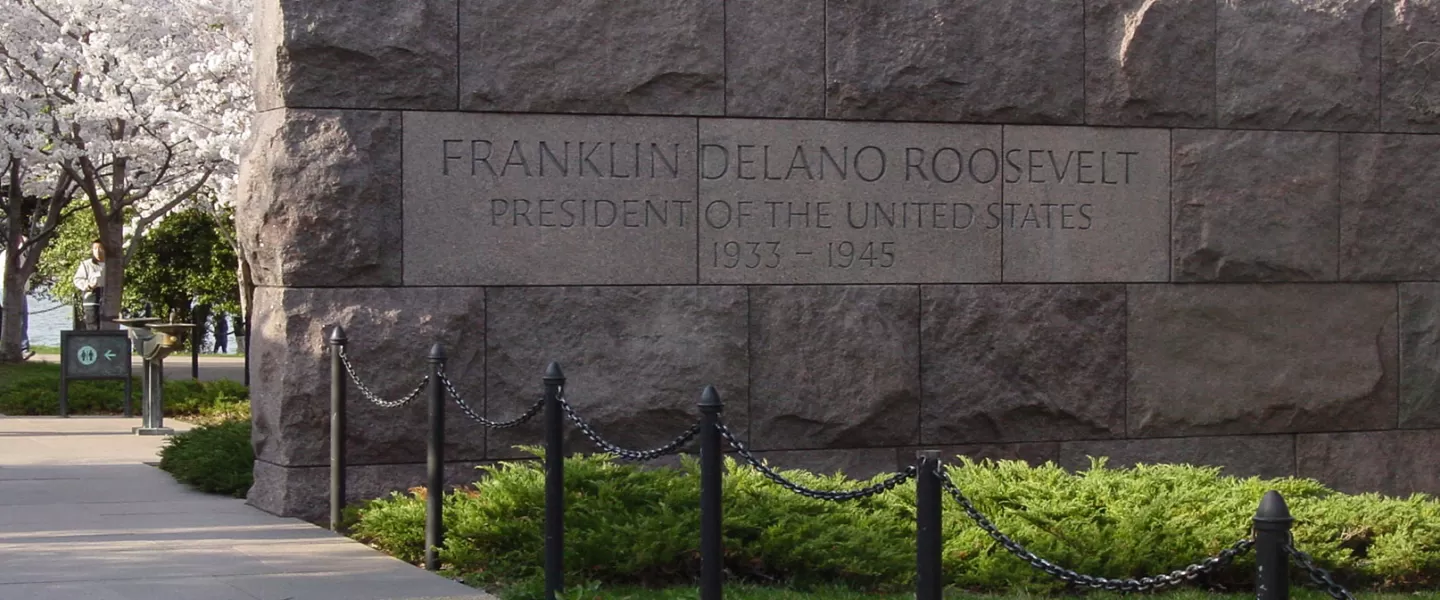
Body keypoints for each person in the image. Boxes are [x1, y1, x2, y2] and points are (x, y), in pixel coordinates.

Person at [0, 237, 34, 359]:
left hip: (17, 290)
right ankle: (21, 348)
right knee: (18, 318)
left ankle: (18, 347)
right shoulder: (12, 256)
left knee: (18, 318)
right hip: (11, 291)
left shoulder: (16, 255)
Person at [72, 239, 105, 330]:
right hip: (91, 298)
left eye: (100, 248)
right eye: (95, 248)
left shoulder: (110, 264)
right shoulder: (86, 264)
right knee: (92, 325)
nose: (97, 251)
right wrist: (88, 285)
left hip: (107, 298)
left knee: (107, 325)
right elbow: (77, 279)